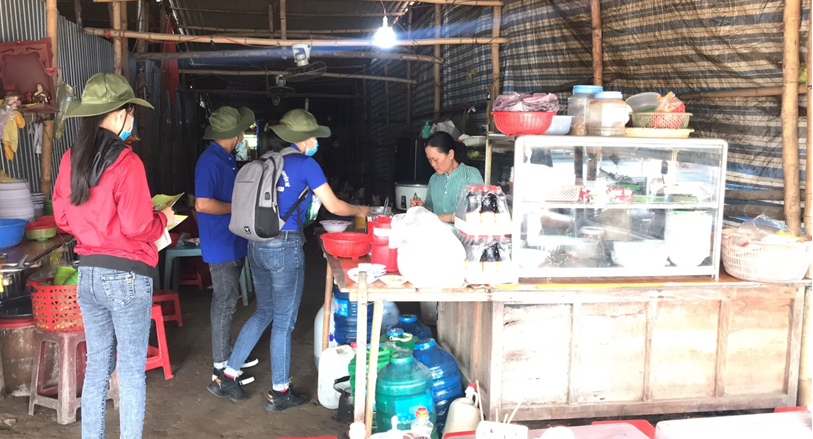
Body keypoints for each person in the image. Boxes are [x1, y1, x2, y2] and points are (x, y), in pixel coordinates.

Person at [208, 109, 370, 411]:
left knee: (263, 312)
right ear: (305, 139)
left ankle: (227, 376)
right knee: (283, 322)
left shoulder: (267, 161)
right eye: (314, 137)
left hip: (256, 245)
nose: (316, 142)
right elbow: (334, 206)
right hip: (284, 246)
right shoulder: (307, 164)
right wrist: (362, 210)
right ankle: (280, 391)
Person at [52, 73, 172, 439]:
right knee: (131, 371)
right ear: (120, 114)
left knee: (97, 368)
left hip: (88, 275)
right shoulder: (127, 162)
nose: (130, 119)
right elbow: (138, 227)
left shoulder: (71, 159)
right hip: (126, 277)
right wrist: (163, 218)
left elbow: (62, 219)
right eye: (130, 113)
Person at [195, 106, 259, 387]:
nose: (243, 136)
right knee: (224, 303)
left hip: (231, 240)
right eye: (241, 131)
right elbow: (203, 204)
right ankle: (221, 366)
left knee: (229, 301)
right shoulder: (209, 161)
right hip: (220, 243)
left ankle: (230, 354)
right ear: (235, 133)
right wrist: (238, 207)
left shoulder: (227, 158)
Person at [411, 131, 484, 222]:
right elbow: (431, 209)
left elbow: (476, 212)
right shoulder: (434, 179)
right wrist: (422, 208)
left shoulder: (471, 174)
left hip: (461, 231)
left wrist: (442, 218)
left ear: (450, 154)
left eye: (435, 159)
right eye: (429, 160)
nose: (433, 164)